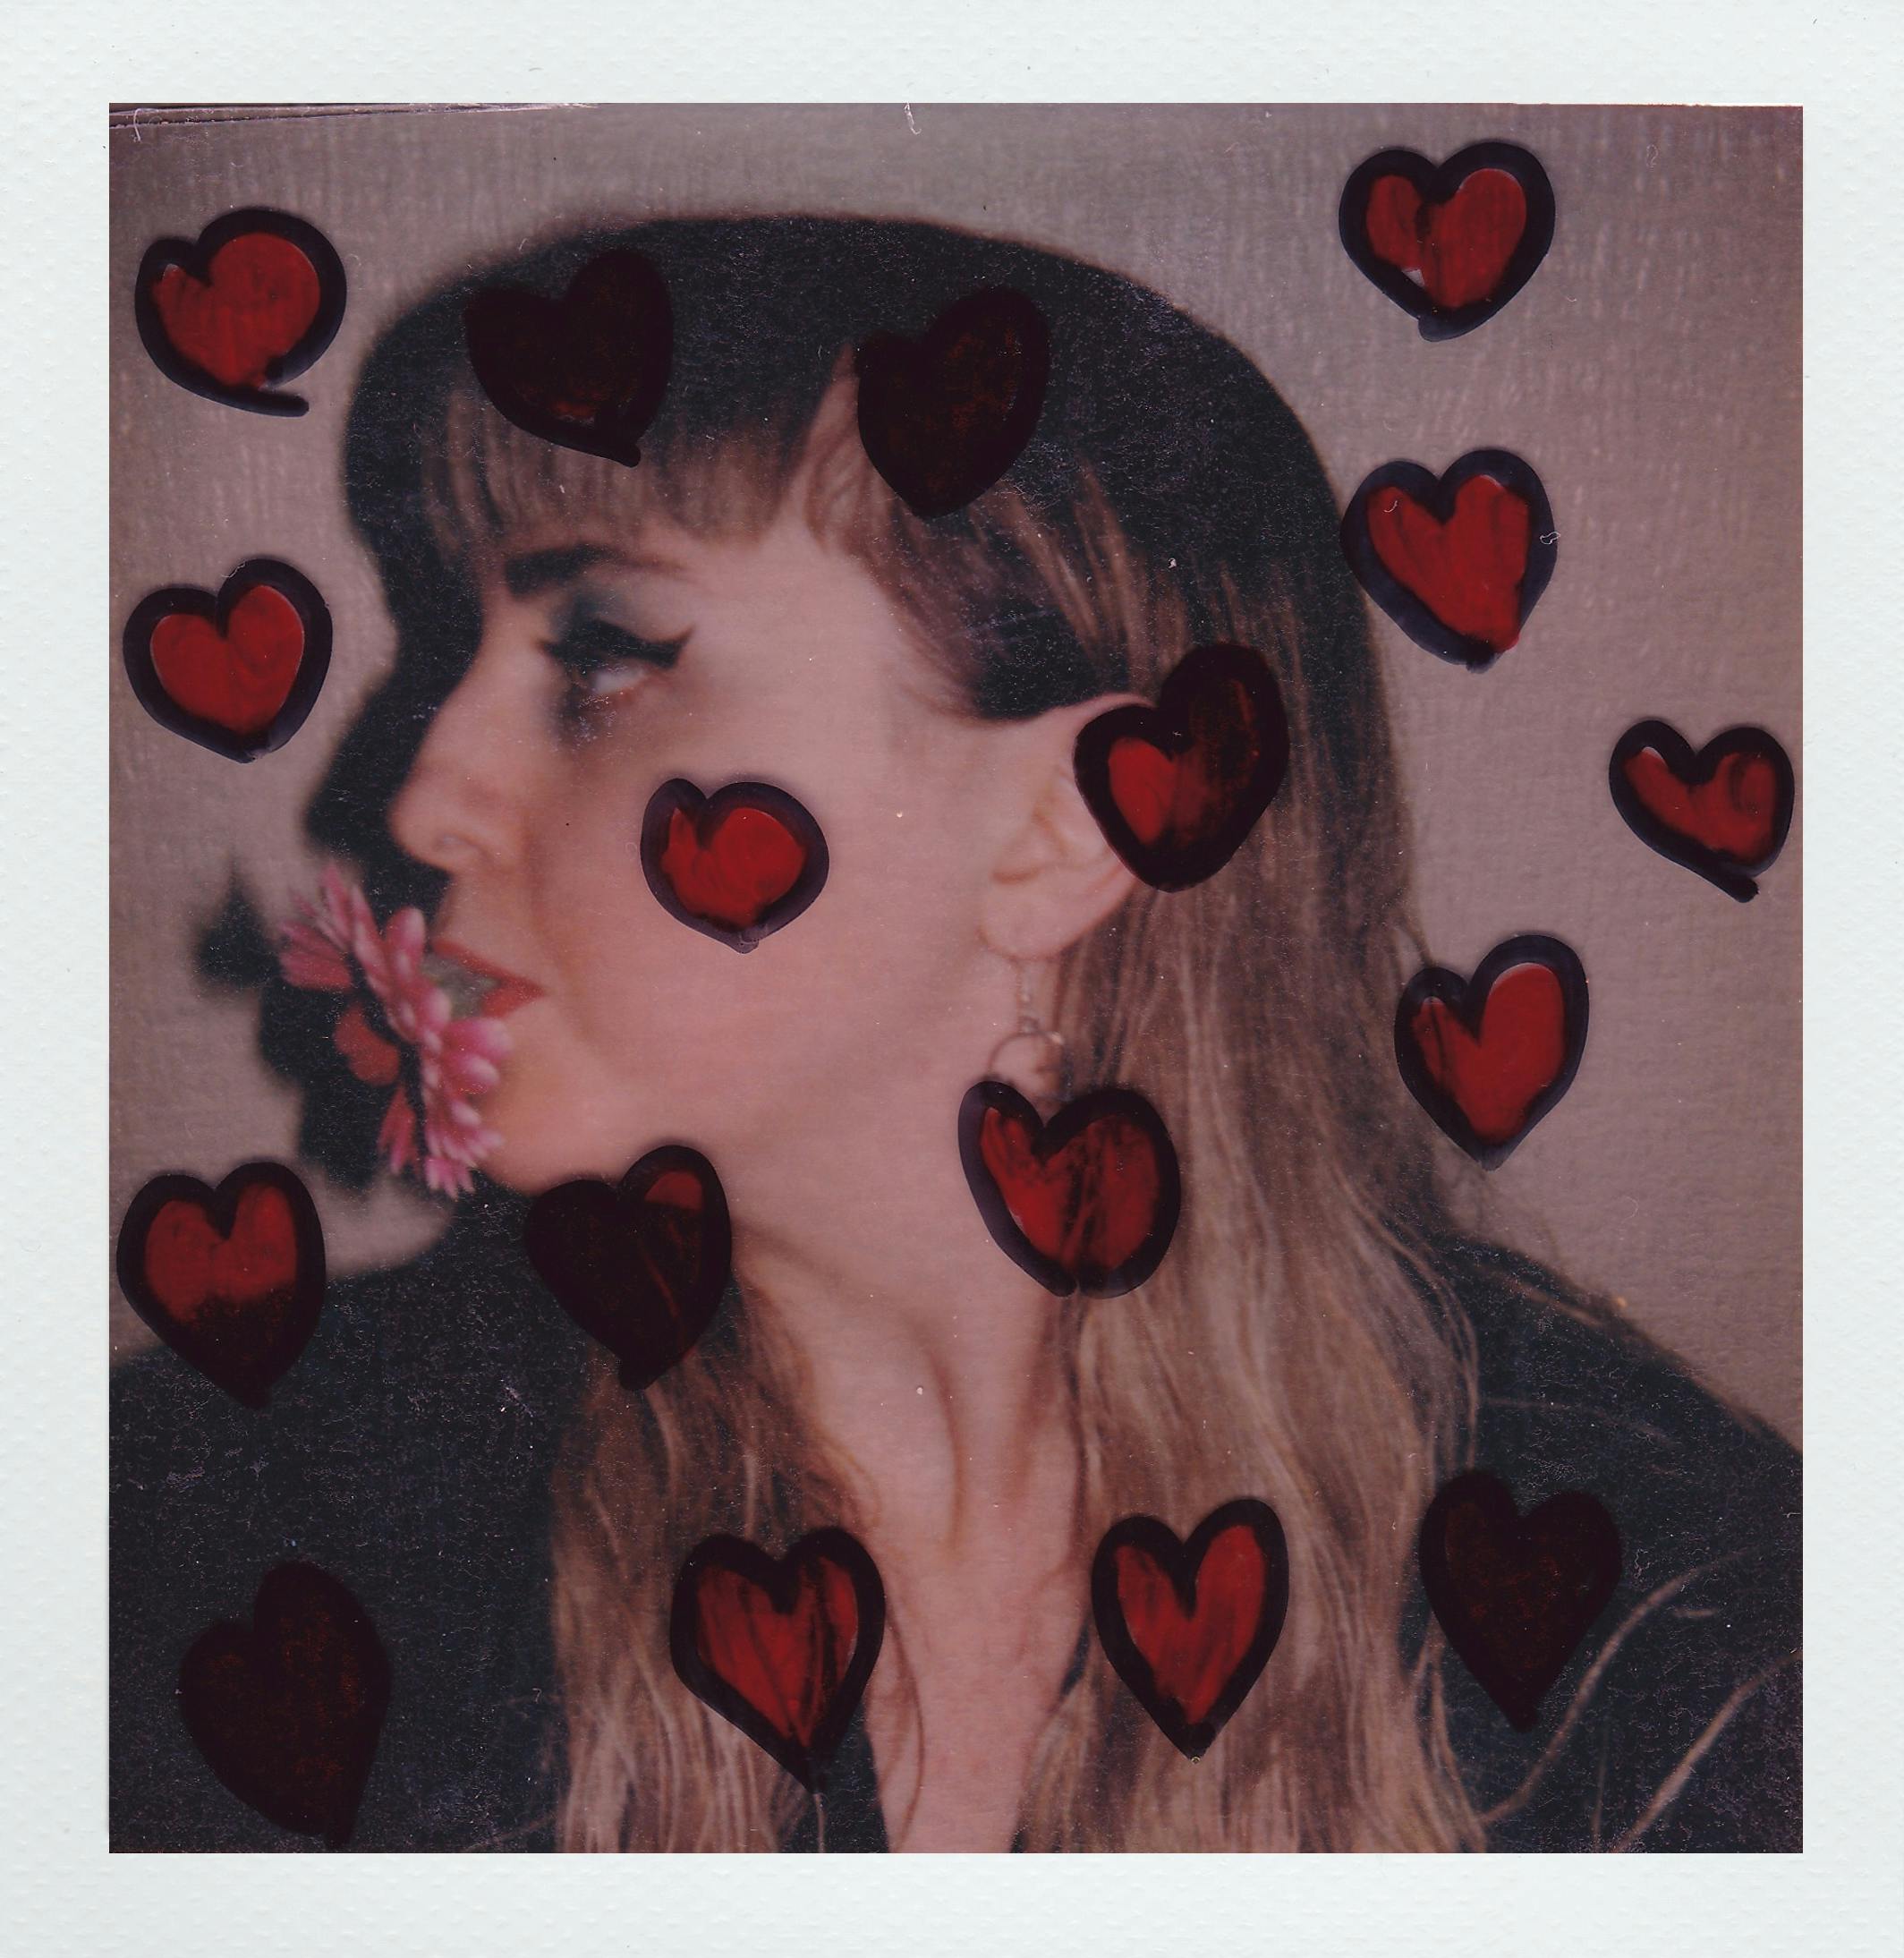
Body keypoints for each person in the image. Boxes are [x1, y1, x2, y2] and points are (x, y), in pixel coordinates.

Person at [112, 216, 1800, 1852]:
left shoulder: (1670, 1625)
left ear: (1068, 831)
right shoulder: (235, 1526)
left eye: (607, 659)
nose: (420, 798)